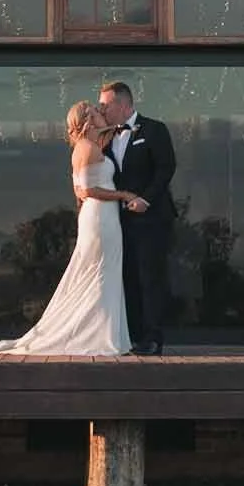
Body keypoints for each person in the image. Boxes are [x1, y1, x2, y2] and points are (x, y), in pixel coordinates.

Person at [0, 100, 136, 356]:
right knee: (99, 274)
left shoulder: (93, 145)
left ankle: (105, 332)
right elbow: (85, 190)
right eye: (95, 112)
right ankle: (96, 335)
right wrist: (124, 195)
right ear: (88, 121)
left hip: (104, 216)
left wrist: (114, 124)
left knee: (104, 272)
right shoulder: (86, 148)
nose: (101, 114)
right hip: (100, 216)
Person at [99, 80, 178, 355]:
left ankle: (153, 337)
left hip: (152, 218)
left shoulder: (155, 130)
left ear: (122, 104)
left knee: (150, 277)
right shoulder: (106, 138)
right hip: (119, 221)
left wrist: (146, 199)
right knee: (127, 277)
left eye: (105, 105)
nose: (102, 110)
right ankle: (131, 336)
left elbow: (166, 168)